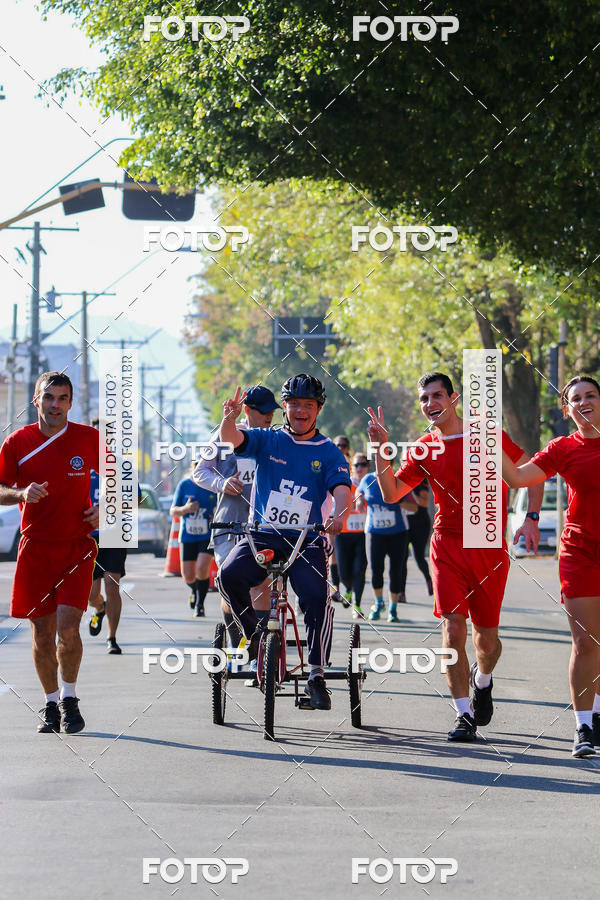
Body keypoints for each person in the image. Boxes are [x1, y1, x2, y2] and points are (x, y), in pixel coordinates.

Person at [368, 371, 542, 742]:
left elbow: (533, 474)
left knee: (487, 642)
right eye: (424, 398)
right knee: (453, 628)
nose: (430, 404)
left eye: (436, 396)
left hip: (488, 543)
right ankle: (463, 715)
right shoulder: (423, 448)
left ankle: (483, 680)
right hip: (446, 542)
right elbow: (392, 492)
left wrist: (531, 519)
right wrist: (381, 449)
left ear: (454, 398)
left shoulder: (486, 434)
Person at [217, 374, 352, 711]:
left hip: (306, 538)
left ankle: (316, 674)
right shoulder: (269, 439)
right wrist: (229, 419)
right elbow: (232, 439)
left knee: (317, 597)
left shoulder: (328, 451)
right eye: (294, 404)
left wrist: (338, 514)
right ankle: (253, 636)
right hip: (263, 533)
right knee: (228, 574)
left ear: (318, 409)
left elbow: (341, 488)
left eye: (308, 405)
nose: (300, 411)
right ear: (285, 408)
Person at [502, 374, 600, 758]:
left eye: (591, 395)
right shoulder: (562, 448)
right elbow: (520, 476)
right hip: (580, 552)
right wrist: (490, 444)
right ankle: (584, 727)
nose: (584, 402)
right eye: (576, 398)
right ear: (567, 409)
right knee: (585, 641)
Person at [0, 372, 99, 734]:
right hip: (35, 548)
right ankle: (50, 702)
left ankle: (71, 700)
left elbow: (130, 488)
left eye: (62, 398)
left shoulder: (91, 439)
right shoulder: (17, 442)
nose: (55, 405)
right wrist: (21, 494)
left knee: (68, 630)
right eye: (49, 397)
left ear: (71, 403)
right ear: (36, 400)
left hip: (77, 548)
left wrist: (104, 510)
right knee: (42, 635)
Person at [194, 384, 279, 684]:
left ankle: (260, 654)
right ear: (248, 410)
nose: (270, 417)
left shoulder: (275, 440)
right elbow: (199, 472)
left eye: (273, 412)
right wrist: (222, 484)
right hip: (229, 525)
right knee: (230, 583)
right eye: (264, 412)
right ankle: (238, 641)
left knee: (262, 581)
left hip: (265, 525)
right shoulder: (223, 436)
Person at [87, 417, 141, 654]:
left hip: (115, 533)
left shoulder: (123, 467)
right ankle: (99, 609)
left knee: (112, 584)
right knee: (90, 594)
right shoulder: (82, 466)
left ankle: (112, 637)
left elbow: (136, 499)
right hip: (88, 536)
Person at [355, 464, 416, 621]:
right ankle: (378, 603)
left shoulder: (398, 480)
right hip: (374, 532)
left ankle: (393, 609)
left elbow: (414, 507)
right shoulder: (368, 479)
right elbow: (358, 491)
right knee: (376, 569)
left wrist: (398, 501)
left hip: (398, 532)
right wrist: (360, 500)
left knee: (395, 571)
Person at [170, 467, 217, 617]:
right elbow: (173, 510)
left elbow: (222, 507)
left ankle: (200, 604)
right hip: (188, 535)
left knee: (202, 568)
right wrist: (186, 509)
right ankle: (195, 590)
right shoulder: (184, 485)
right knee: (188, 575)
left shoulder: (213, 485)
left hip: (207, 535)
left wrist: (217, 515)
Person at [333, 452, 369, 619]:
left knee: (359, 571)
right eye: (356, 465)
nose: (359, 468)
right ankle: (347, 588)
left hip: (364, 534)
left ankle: (357, 605)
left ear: (368, 467)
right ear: (352, 468)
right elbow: (335, 509)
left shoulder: (372, 484)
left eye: (363, 464)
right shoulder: (345, 485)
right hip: (344, 534)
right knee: (344, 573)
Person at [406, 480, 434, 596]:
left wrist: (408, 490)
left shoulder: (420, 479)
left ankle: (429, 581)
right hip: (404, 522)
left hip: (420, 523)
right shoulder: (398, 477)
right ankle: (400, 592)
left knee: (418, 557)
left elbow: (424, 502)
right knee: (401, 558)